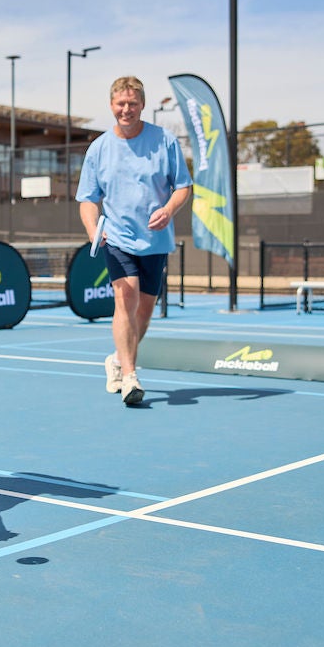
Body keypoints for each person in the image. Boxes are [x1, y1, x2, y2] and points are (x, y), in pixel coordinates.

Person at [76, 76, 193, 406]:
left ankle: (116, 360)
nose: (126, 109)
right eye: (120, 103)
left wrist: (169, 209)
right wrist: (93, 232)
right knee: (124, 296)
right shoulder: (99, 148)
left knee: (143, 314)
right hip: (117, 238)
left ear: (142, 105)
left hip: (155, 242)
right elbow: (87, 198)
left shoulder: (164, 141)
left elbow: (183, 186)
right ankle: (130, 377)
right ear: (111, 105)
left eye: (132, 103)